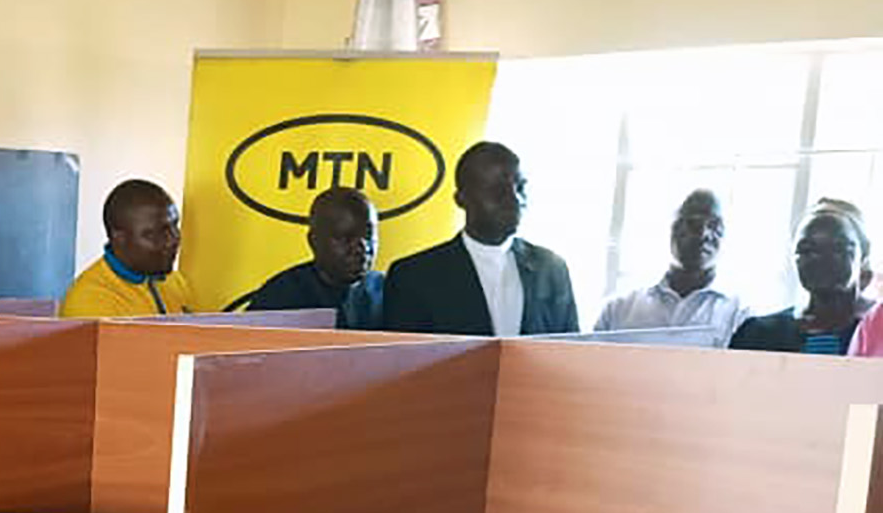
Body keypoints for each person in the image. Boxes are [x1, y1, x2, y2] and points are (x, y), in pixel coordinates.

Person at [382, 142, 579, 337]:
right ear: (461, 199)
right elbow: (405, 362)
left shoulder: (552, 269)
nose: (514, 199)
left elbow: (569, 354)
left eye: (520, 187)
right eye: (497, 190)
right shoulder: (413, 276)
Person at [595, 190, 749, 346]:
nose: (704, 234)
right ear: (672, 229)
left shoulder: (740, 316)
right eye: (694, 223)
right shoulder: (618, 311)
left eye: (715, 226)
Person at [233, 187, 386, 329]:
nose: (362, 248)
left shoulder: (389, 291)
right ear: (314, 241)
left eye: (368, 235)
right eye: (345, 238)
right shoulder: (279, 296)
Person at [730, 207, 873, 355]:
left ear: (862, 259)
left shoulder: (875, 333)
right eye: (807, 249)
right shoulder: (757, 334)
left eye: (837, 248)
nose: (821, 258)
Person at [60, 179, 196, 317]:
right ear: (119, 238)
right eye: (158, 233)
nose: (174, 239)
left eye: (175, 225)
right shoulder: (89, 300)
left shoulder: (174, 281)